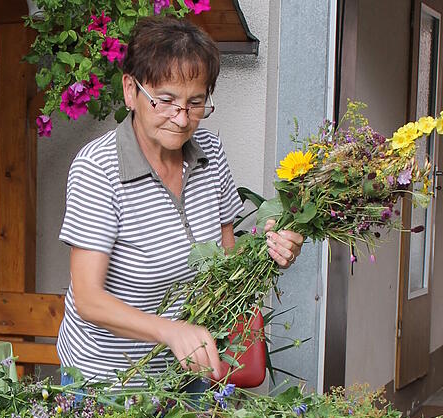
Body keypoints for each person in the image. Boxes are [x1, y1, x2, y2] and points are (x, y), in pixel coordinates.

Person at [57, 17, 303, 387]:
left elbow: (226, 262)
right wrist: (171, 331)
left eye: (195, 102)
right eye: (166, 100)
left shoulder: (211, 154)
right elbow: (89, 299)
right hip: (106, 385)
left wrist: (270, 250)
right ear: (130, 90)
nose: (181, 118)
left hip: (188, 377)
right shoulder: (98, 168)